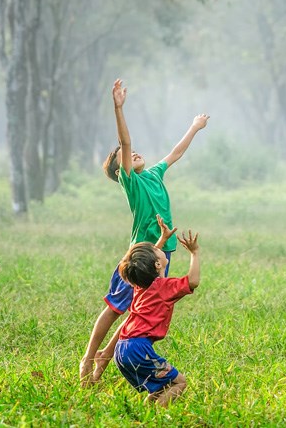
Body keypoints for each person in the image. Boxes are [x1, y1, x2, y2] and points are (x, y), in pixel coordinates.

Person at [79, 78, 208, 385]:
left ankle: (101, 368)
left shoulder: (153, 174)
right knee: (114, 309)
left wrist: (194, 127)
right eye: (124, 156)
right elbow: (124, 142)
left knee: (138, 313)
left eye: (135, 152)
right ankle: (88, 360)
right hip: (140, 255)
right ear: (119, 170)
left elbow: (175, 153)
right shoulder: (132, 182)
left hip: (163, 252)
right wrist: (118, 107)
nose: (133, 153)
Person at [114, 227, 200, 406]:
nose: (158, 248)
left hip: (121, 348)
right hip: (138, 349)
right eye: (156, 250)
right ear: (157, 264)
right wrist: (194, 253)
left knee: (161, 387)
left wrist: (162, 239)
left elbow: (145, 263)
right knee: (179, 382)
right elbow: (193, 281)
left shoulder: (140, 285)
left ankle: (146, 413)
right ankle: (156, 418)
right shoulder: (164, 287)